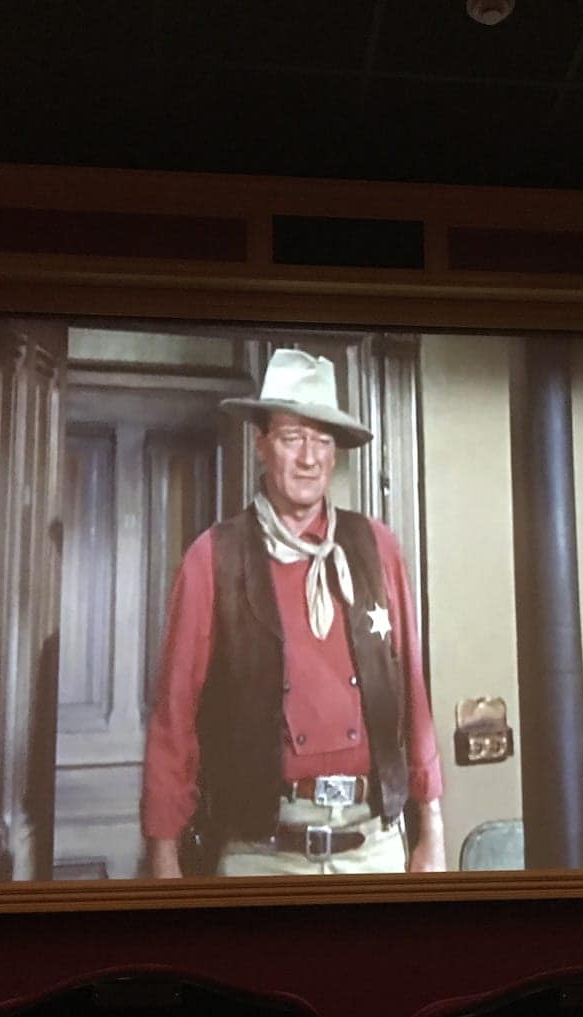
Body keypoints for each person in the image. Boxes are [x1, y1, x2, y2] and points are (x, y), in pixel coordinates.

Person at [141, 348, 445, 877]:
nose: (310, 457)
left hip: (374, 848)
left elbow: (415, 695)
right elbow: (174, 719)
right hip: (261, 855)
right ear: (261, 445)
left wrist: (432, 829)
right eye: (293, 438)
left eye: (323, 440)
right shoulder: (214, 557)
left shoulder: (376, 548)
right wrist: (164, 860)